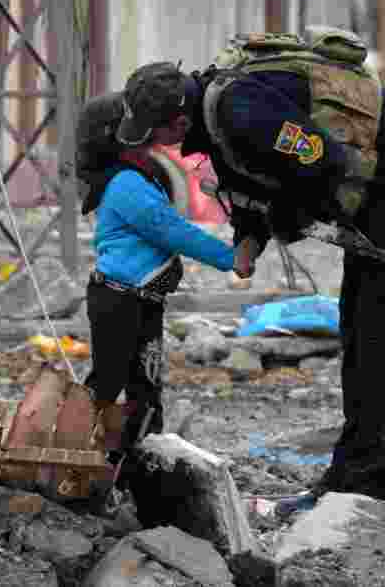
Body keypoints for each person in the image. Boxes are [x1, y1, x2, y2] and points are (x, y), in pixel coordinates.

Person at [114, 31, 385, 505]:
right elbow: (255, 181)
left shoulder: (240, 112)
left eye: (155, 137)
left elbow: (322, 159)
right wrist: (249, 238)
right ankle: (347, 482)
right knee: (359, 323)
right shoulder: (213, 115)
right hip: (381, 179)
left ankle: (364, 489)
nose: (157, 148)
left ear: (176, 123)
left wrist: (287, 219)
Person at [76, 62, 254, 457]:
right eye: (141, 138)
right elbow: (172, 231)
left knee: (148, 381)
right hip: (119, 301)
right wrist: (231, 258)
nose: (153, 144)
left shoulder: (137, 180)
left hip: (142, 301)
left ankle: (138, 455)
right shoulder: (125, 186)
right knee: (109, 380)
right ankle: (76, 447)